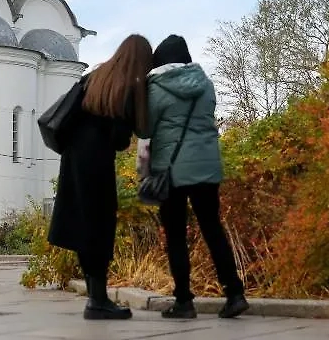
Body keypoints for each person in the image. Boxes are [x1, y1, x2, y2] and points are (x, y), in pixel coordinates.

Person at [139, 34, 248, 319]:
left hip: (171, 171)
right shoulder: (206, 85)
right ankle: (234, 294)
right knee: (212, 229)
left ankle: (184, 302)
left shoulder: (156, 88)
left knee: (176, 236)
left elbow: (145, 130)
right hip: (206, 166)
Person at [47, 34, 152, 320]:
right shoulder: (127, 85)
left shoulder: (96, 75)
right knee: (101, 228)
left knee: (83, 226)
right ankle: (99, 300)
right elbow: (119, 139)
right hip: (98, 162)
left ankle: (96, 299)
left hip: (73, 158)